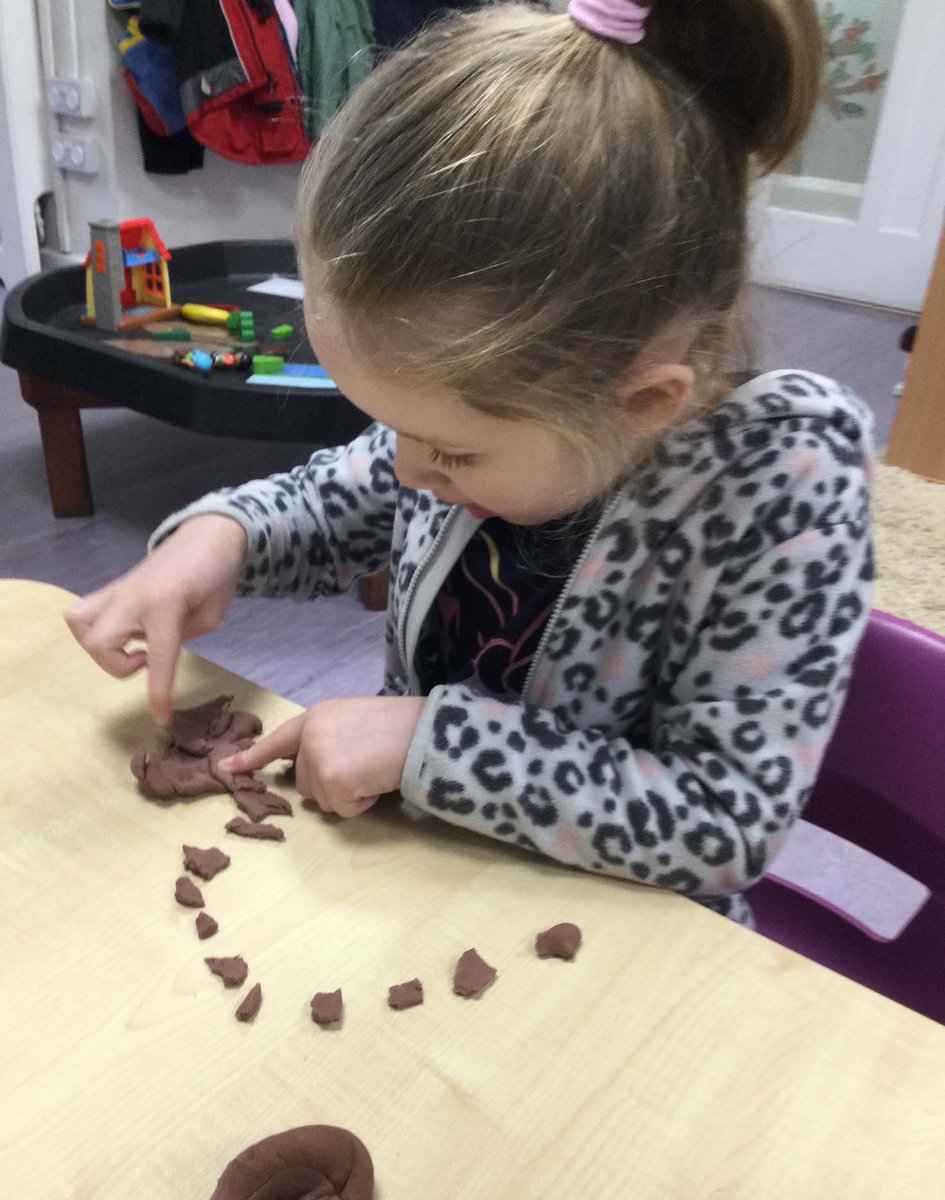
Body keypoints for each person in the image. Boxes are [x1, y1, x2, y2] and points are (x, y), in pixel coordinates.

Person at [66, 0, 875, 925]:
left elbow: (724, 822)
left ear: (641, 404)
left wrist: (432, 746)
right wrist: (220, 539)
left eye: (451, 451)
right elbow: (335, 503)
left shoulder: (781, 482)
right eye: (389, 426)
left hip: (624, 947)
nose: (409, 473)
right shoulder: (469, 428)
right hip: (413, 886)